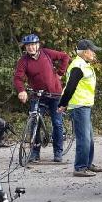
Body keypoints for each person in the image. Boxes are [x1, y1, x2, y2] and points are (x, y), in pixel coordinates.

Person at [12, 34, 70, 163]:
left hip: (55, 94)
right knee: (34, 122)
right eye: (28, 46)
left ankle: (58, 152)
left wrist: (60, 72)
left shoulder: (46, 53)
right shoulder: (24, 61)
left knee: (57, 123)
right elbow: (18, 77)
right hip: (38, 95)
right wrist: (21, 91)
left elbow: (65, 57)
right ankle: (35, 152)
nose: (31, 48)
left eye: (33, 45)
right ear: (25, 48)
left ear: (38, 45)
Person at [58, 39, 102, 177]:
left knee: (89, 138)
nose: (94, 54)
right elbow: (70, 88)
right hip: (79, 106)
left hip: (84, 105)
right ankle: (80, 167)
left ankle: (87, 164)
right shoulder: (78, 66)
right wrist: (62, 103)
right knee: (84, 138)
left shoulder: (84, 65)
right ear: (85, 52)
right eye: (92, 51)